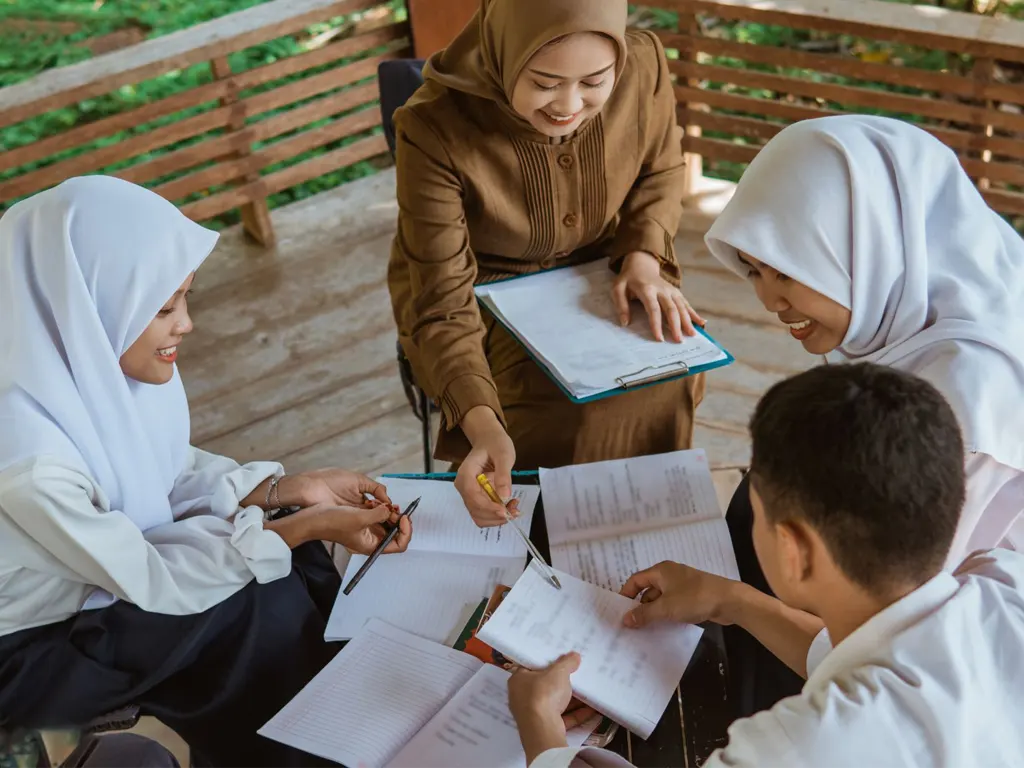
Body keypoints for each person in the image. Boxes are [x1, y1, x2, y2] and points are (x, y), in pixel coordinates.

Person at [0, 176, 413, 768]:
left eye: (185, 297)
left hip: (104, 579)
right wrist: (299, 527)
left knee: (283, 549)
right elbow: (151, 577)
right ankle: (299, 750)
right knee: (249, 611)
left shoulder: (90, 371)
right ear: (85, 311)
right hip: (33, 649)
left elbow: (164, 474)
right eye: (163, 308)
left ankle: (338, 725)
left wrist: (283, 492)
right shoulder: (31, 463)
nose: (185, 324)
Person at [507, 363, 1024, 767]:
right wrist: (734, 601)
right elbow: (888, 654)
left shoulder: (793, 747)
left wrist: (542, 732)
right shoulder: (1004, 580)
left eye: (756, 508)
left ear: (794, 550)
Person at [702, 114, 1024, 713]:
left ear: (867, 245)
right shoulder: (916, 302)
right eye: (754, 269)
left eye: (787, 272)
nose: (768, 299)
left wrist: (733, 604)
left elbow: (894, 637)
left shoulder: (968, 401)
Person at [388, 0, 706, 527]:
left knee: (667, 370)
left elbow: (661, 169)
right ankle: (543, 548)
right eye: (545, 81)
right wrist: (484, 426)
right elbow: (441, 299)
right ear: (506, 53)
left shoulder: (643, 64)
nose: (569, 104)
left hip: (605, 263)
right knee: (561, 410)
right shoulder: (433, 126)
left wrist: (645, 255)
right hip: (480, 287)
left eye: (593, 81)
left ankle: (647, 538)